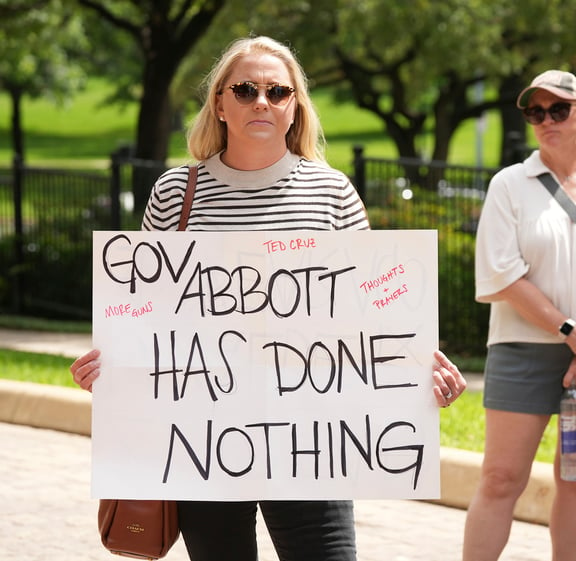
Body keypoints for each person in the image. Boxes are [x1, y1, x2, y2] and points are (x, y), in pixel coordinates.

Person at [69, 36, 466, 561]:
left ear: (295, 107)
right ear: (220, 104)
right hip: (202, 434)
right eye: (246, 89)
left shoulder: (332, 193)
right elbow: (147, 312)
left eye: (278, 91)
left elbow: (377, 313)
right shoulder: (175, 193)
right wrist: (116, 372)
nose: (263, 101)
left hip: (311, 434)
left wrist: (417, 377)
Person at [463, 69, 576, 561]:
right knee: (500, 478)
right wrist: (570, 334)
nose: (546, 120)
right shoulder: (510, 183)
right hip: (521, 350)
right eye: (535, 112)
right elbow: (500, 274)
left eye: (558, 110)